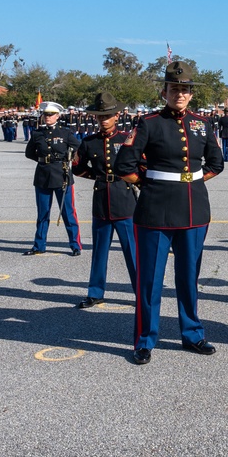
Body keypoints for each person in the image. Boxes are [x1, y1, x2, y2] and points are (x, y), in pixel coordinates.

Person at [115, 61, 225, 365]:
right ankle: (144, 339)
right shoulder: (148, 123)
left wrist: (189, 183)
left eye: (185, 89)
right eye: (174, 88)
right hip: (155, 212)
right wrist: (149, 185)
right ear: (164, 91)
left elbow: (216, 163)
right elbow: (124, 165)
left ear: (191, 94)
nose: (180, 93)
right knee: (149, 280)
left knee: (189, 277)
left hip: (194, 211)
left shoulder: (203, 123)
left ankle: (192, 334)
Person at [72, 92, 138, 308]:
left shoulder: (127, 139)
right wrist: (99, 176)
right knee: (99, 251)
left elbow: (139, 165)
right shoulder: (88, 143)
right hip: (101, 200)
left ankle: (141, 292)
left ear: (117, 116)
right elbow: (78, 168)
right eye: (100, 116)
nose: (104, 120)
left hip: (125, 198)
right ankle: (95, 292)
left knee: (133, 252)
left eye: (107, 116)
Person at [23, 101, 82, 256]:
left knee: (68, 212)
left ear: (57, 116)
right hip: (43, 175)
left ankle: (75, 245)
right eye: (45, 114)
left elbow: (79, 148)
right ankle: (39, 245)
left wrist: (70, 159)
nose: (47, 117)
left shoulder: (65, 132)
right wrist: (44, 161)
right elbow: (29, 153)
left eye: (51, 114)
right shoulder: (37, 133)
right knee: (43, 213)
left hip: (62, 175)